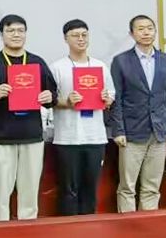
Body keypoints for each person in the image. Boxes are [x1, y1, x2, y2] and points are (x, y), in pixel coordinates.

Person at [0, 14, 57, 221]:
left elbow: (53, 95)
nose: (16, 34)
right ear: (2, 34)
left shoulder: (37, 63)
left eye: (20, 30)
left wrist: (49, 97)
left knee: (30, 193)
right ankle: (1, 229)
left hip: (32, 136)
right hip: (1, 138)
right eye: (10, 30)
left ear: (26, 33)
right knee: (1, 192)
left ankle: (28, 230)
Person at [109, 15, 166, 213]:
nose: (146, 32)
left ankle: (149, 225)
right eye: (140, 29)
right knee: (127, 187)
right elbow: (116, 99)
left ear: (155, 31)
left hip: (159, 133)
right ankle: (128, 225)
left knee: (152, 187)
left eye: (150, 28)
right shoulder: (121, 61)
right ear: (132, 34)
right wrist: (118, 130)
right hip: (131, 133)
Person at [51, 19, 115, 216]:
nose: (81, 39)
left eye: (84, 35)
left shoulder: (100, 66)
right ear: (65, 38)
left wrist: (107, 99)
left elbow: (111, 94)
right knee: (68, 189)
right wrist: (66, 101)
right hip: (67, 138)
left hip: (95, 137)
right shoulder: (57, 67)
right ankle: (68, 227)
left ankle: (89, 227)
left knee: (90, 189)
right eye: (75, 35)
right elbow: (49, 100)